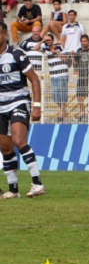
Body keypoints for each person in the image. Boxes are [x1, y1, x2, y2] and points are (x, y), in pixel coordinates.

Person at [0, 22, 45, 199]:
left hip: (18, 102)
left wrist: (37, 105)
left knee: (19, 140)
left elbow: (34, 79)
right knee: (4, 147)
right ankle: (13, 189)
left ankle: (37, 183)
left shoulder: (16, 54)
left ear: (4, 35)